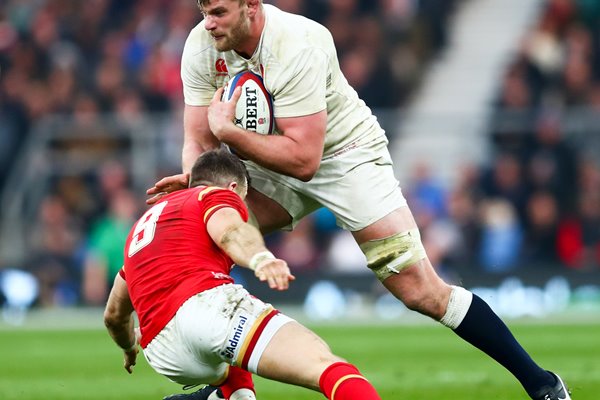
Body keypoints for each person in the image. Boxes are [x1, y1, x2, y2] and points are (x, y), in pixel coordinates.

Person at [147, 1, 573, 399]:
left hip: (344, 158)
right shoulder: (201, 44)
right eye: (204, 12)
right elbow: (197, 142)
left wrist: (232, 135)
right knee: (206, 239)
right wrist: (197, 191)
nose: (208, 23)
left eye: (219, 12)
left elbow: (304, 159)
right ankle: (229, 390)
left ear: (251, 5)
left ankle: (542, 384)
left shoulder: (298, 42)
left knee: (420, 291)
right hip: (263, 160)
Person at [104, 149, 382, 400]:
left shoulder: (140, 231)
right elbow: (229, 230)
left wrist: (129, 347)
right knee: (327, 367)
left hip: (162, 352)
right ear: (234, 188)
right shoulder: (214, 195)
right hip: (203, 309)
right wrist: (260, 258)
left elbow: (114, 316)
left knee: (235, 370)